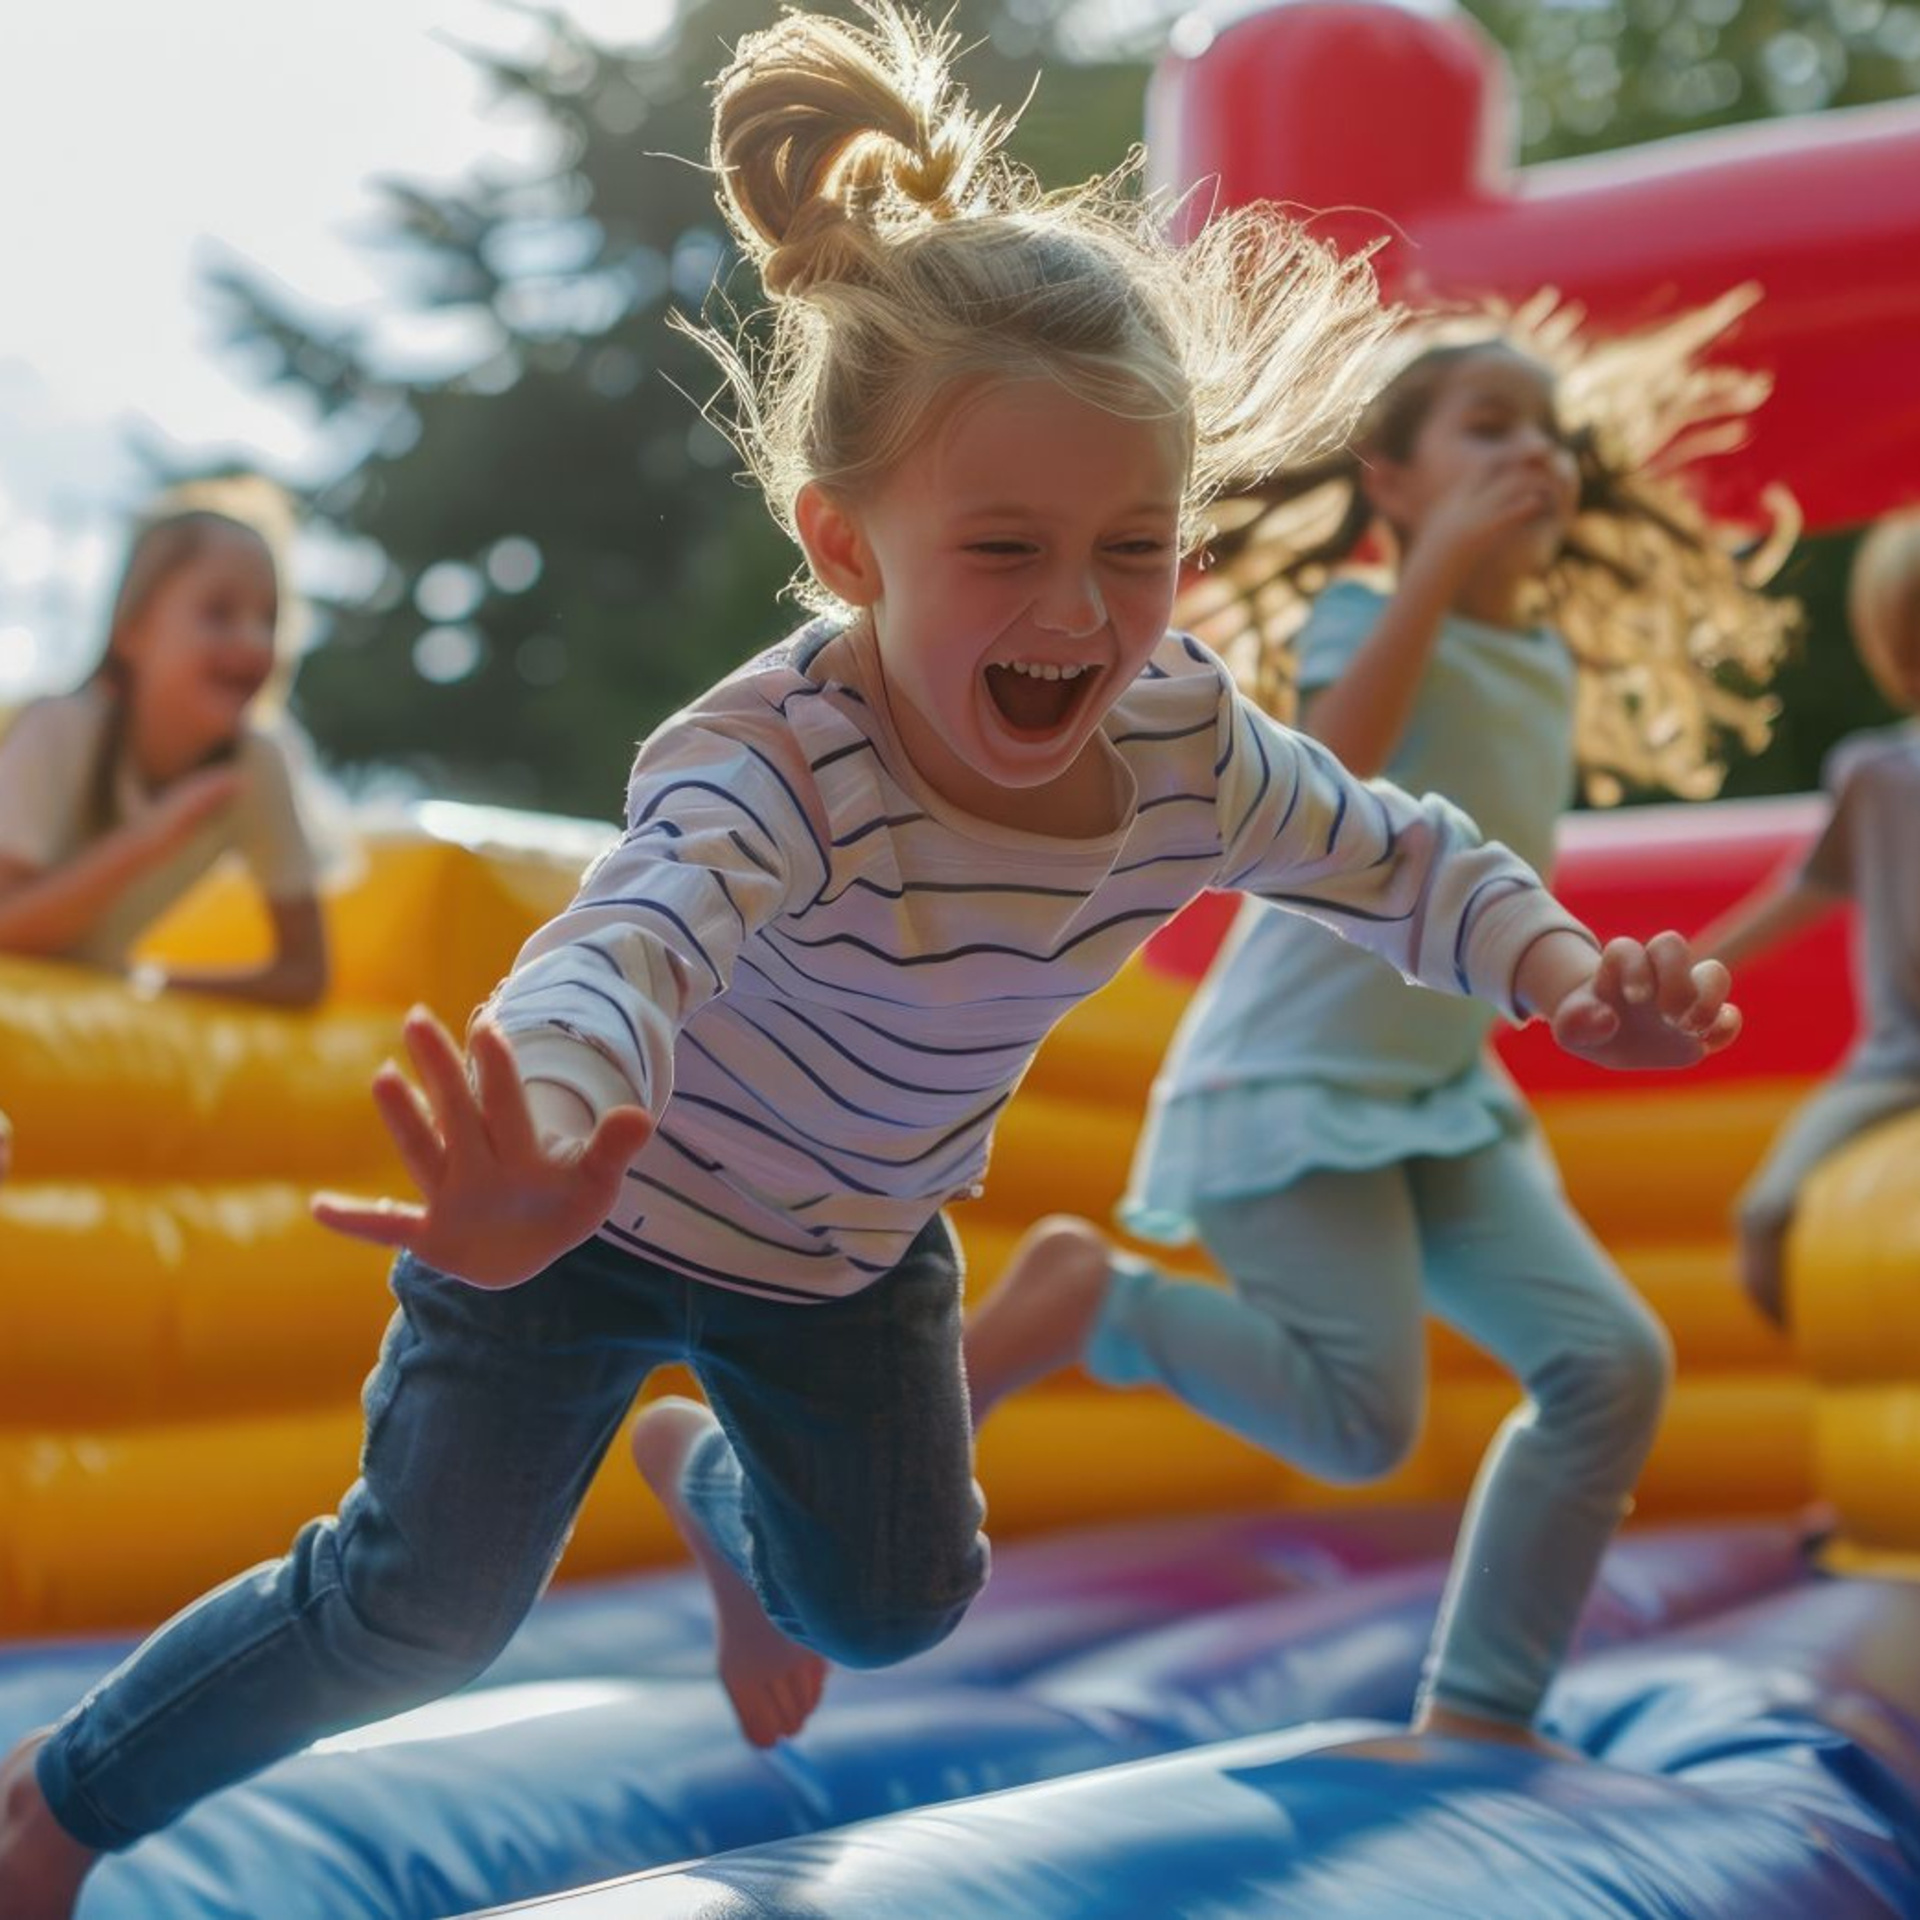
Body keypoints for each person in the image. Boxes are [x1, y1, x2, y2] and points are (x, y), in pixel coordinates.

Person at [0, 14, 1741, 1911]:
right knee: (417, 1614)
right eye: (1004, 548)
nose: (1078, 612)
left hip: (841, 1256)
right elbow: (631, 944)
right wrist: (541, 1137)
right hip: (574, 1224)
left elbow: (1395, 853)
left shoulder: (1182, 744)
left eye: (1135, 546)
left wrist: (1563, 971)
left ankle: (709, 1487)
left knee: (898, 1605)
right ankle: (59, 1806)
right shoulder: (784, 761)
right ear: (849, 545)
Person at [966, 299, 1793, 1752]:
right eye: (1489, 428)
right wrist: (1440, 567)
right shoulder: (1363, 616)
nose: (1533, 454)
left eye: (1549, 433)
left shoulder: (1541, 662)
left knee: (1611, 1365)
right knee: (1360, 1429)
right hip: (1293, 1082)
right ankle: (1103, 1306)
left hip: (1441, 1098)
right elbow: (1324, 777)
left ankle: (1481, 1711)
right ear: (1394, 482)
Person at [1696, 507, 1920, 1326]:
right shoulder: (1878, 774)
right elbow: (1809, 889)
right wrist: (1701, 962)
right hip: (1897, 1065)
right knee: (1766, 1217)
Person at [0, 501, 327, 1008]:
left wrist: (149, 986)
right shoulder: (61, 729)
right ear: (132, 631)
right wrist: (150, 837)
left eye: (270, 619)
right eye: (219, 612)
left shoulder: (255, 763)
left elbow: (305, 974)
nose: (253, 640)